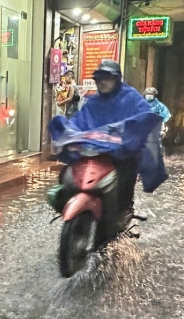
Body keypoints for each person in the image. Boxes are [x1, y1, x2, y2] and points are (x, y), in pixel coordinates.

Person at [65, 59, 167, 213]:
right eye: (99, 79)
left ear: (116, 79)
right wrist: (70, 134)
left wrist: (130, 135)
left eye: (107, 78)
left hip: (121, 153)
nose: (102, 82)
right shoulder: (92, 102)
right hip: (94, 152)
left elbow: (144, 117)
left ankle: (124, 211)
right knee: (67, 174)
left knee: (126, 174)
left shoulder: (132, 98)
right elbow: (80, 120)